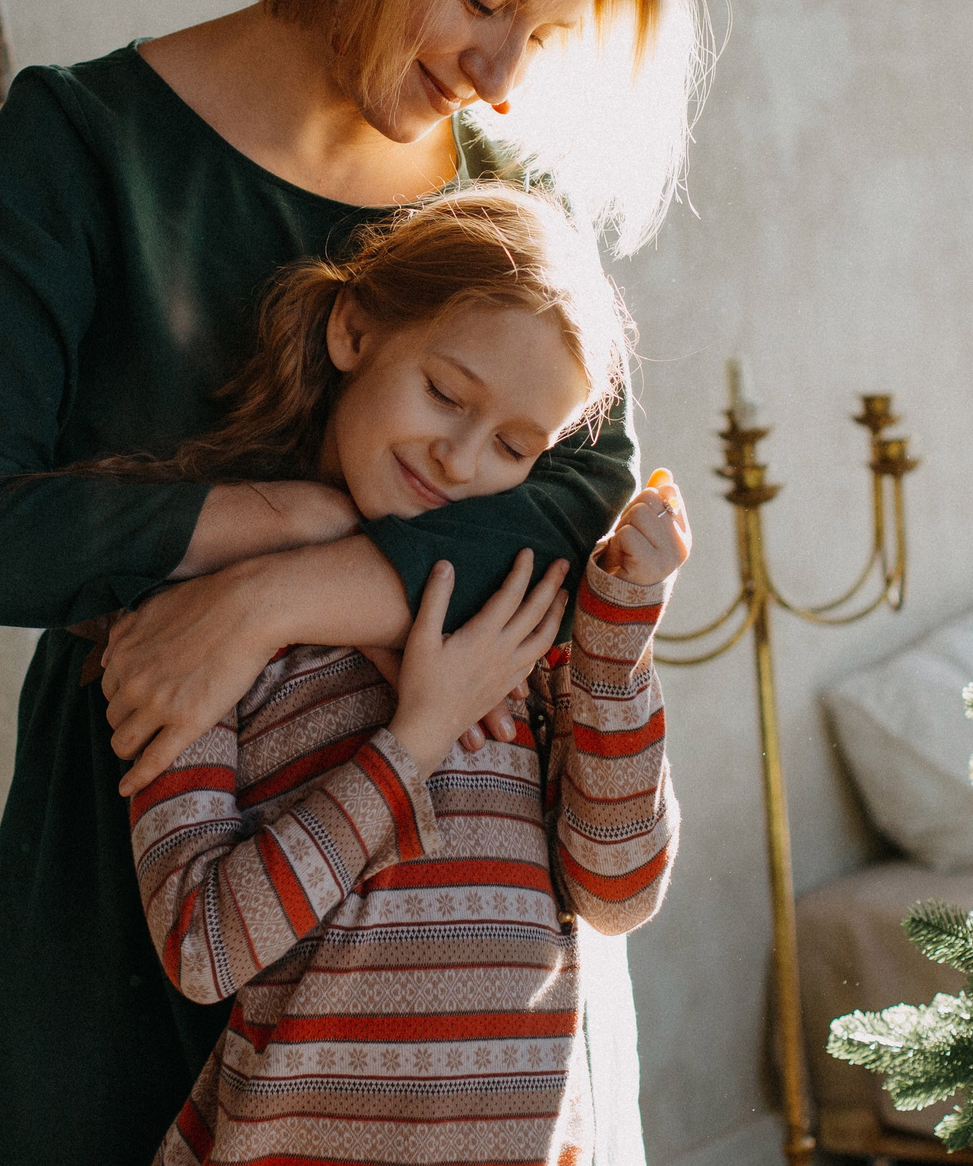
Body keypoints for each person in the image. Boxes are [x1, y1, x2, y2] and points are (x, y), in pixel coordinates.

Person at [0, 0, 702, 1165]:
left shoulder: (509, 208)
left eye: (541, 30)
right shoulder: (82, 149)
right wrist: (271, 521)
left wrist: (282, 598)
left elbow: (583, 502)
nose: (501, 70)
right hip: (147, 873)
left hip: (453, 959)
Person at [110, 186, 686, 1166]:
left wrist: (617, 636)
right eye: (445, 395)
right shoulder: (214, 618)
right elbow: (205, 948)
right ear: (354, 330)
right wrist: (414, 740)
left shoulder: (518, 611)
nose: (460, 458)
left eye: (513, 445)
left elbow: (618, 892)